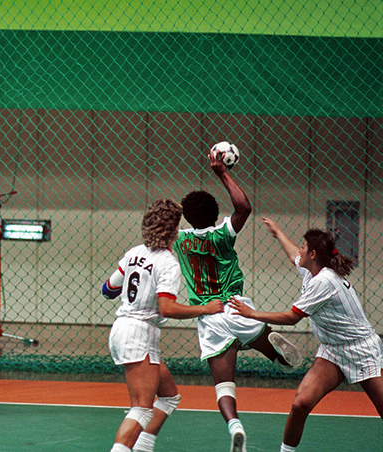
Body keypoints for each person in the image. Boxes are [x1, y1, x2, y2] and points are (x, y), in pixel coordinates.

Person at [171, 148, 303, 452]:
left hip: (209, 316)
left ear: (187, 217)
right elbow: (244, 208)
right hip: (237, 307)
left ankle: (235, 426)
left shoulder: (182, 241)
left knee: (224, 385)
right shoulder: (222, 235)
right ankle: (273, 350)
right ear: (216, 215)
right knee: (264, 343)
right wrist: (222, 172)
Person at [230, 218, 383, 452]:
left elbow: (292, 317)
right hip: (333, 350)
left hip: (361, 349)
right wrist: (278, 232)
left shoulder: (324, 281)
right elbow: (294, 254)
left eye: (303, 246)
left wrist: (252, 314)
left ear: (312, 254)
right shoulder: (312, 269)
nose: (299, 249)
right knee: (301, 403)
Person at [102, 198, 225, 452]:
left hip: (123, 328)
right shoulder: (168, 263)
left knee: (169, 396)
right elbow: (166, 308)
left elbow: (108, 289)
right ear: (174, 231)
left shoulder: (134, 253)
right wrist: (206, 308)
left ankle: (143, 447)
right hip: (139, 333)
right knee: (141, 409)